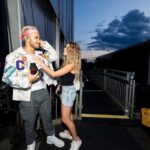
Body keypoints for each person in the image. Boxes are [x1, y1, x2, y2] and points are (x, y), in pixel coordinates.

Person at [2, 25, 64, 150]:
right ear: (26, 38)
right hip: (27, 94)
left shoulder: (41, 54)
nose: (38, 39)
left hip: (43, 92)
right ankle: (31, 144)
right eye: (36, 37)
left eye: (39, 37)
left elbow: (54, 56)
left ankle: (51, 136)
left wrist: (43, 43)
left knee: (47, 117)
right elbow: (7, 78)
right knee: (29, 122)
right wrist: (27, 80)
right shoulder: (13, 56)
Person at [33, 41, 82, 150]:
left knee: (65, 119)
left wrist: (40, 63)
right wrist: (60, 84)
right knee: (69, 116)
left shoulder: (71, 64)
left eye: (67, 47)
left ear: (71, 51)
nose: (64, 48)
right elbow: (65, 77)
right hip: (66, 90)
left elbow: (54, 74)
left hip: (68, 92)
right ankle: (70, 133)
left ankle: (76, 139)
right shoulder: (67, 62)